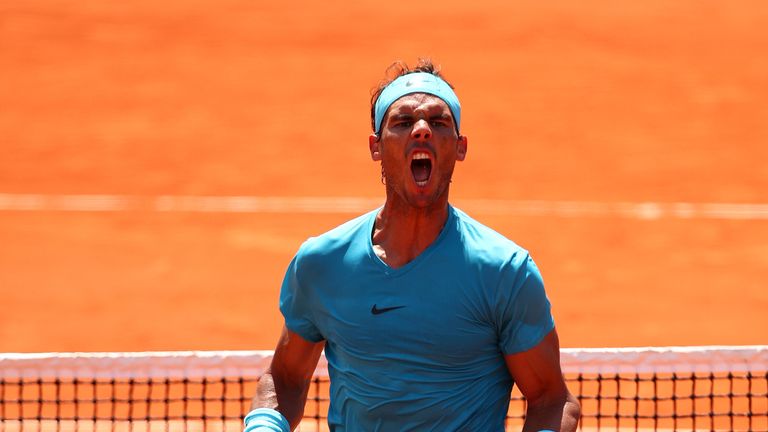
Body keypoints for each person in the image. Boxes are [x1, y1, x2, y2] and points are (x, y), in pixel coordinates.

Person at [244, 59, 581, 432]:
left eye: (438, 123)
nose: (421, 131)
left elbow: (552, 399)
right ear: (376, 146)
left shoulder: (504, 272)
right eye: (403, 123)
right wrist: (263, 425)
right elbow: (285, 379)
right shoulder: (321, 264)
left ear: (459, 147)